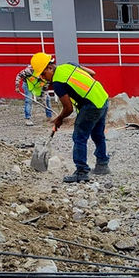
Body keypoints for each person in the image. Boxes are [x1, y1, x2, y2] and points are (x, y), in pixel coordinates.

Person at [29, 52, 111, 183]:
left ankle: (81, 172)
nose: (43, 78)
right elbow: (92, 73)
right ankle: (102, 165)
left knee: (79, 137)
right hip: (102, 98)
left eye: (43, 74)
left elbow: (68, 108)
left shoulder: (58, 83)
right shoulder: (69, 65)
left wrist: (59, 118)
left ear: (50, 67)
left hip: (91, 105)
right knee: (98, 135)